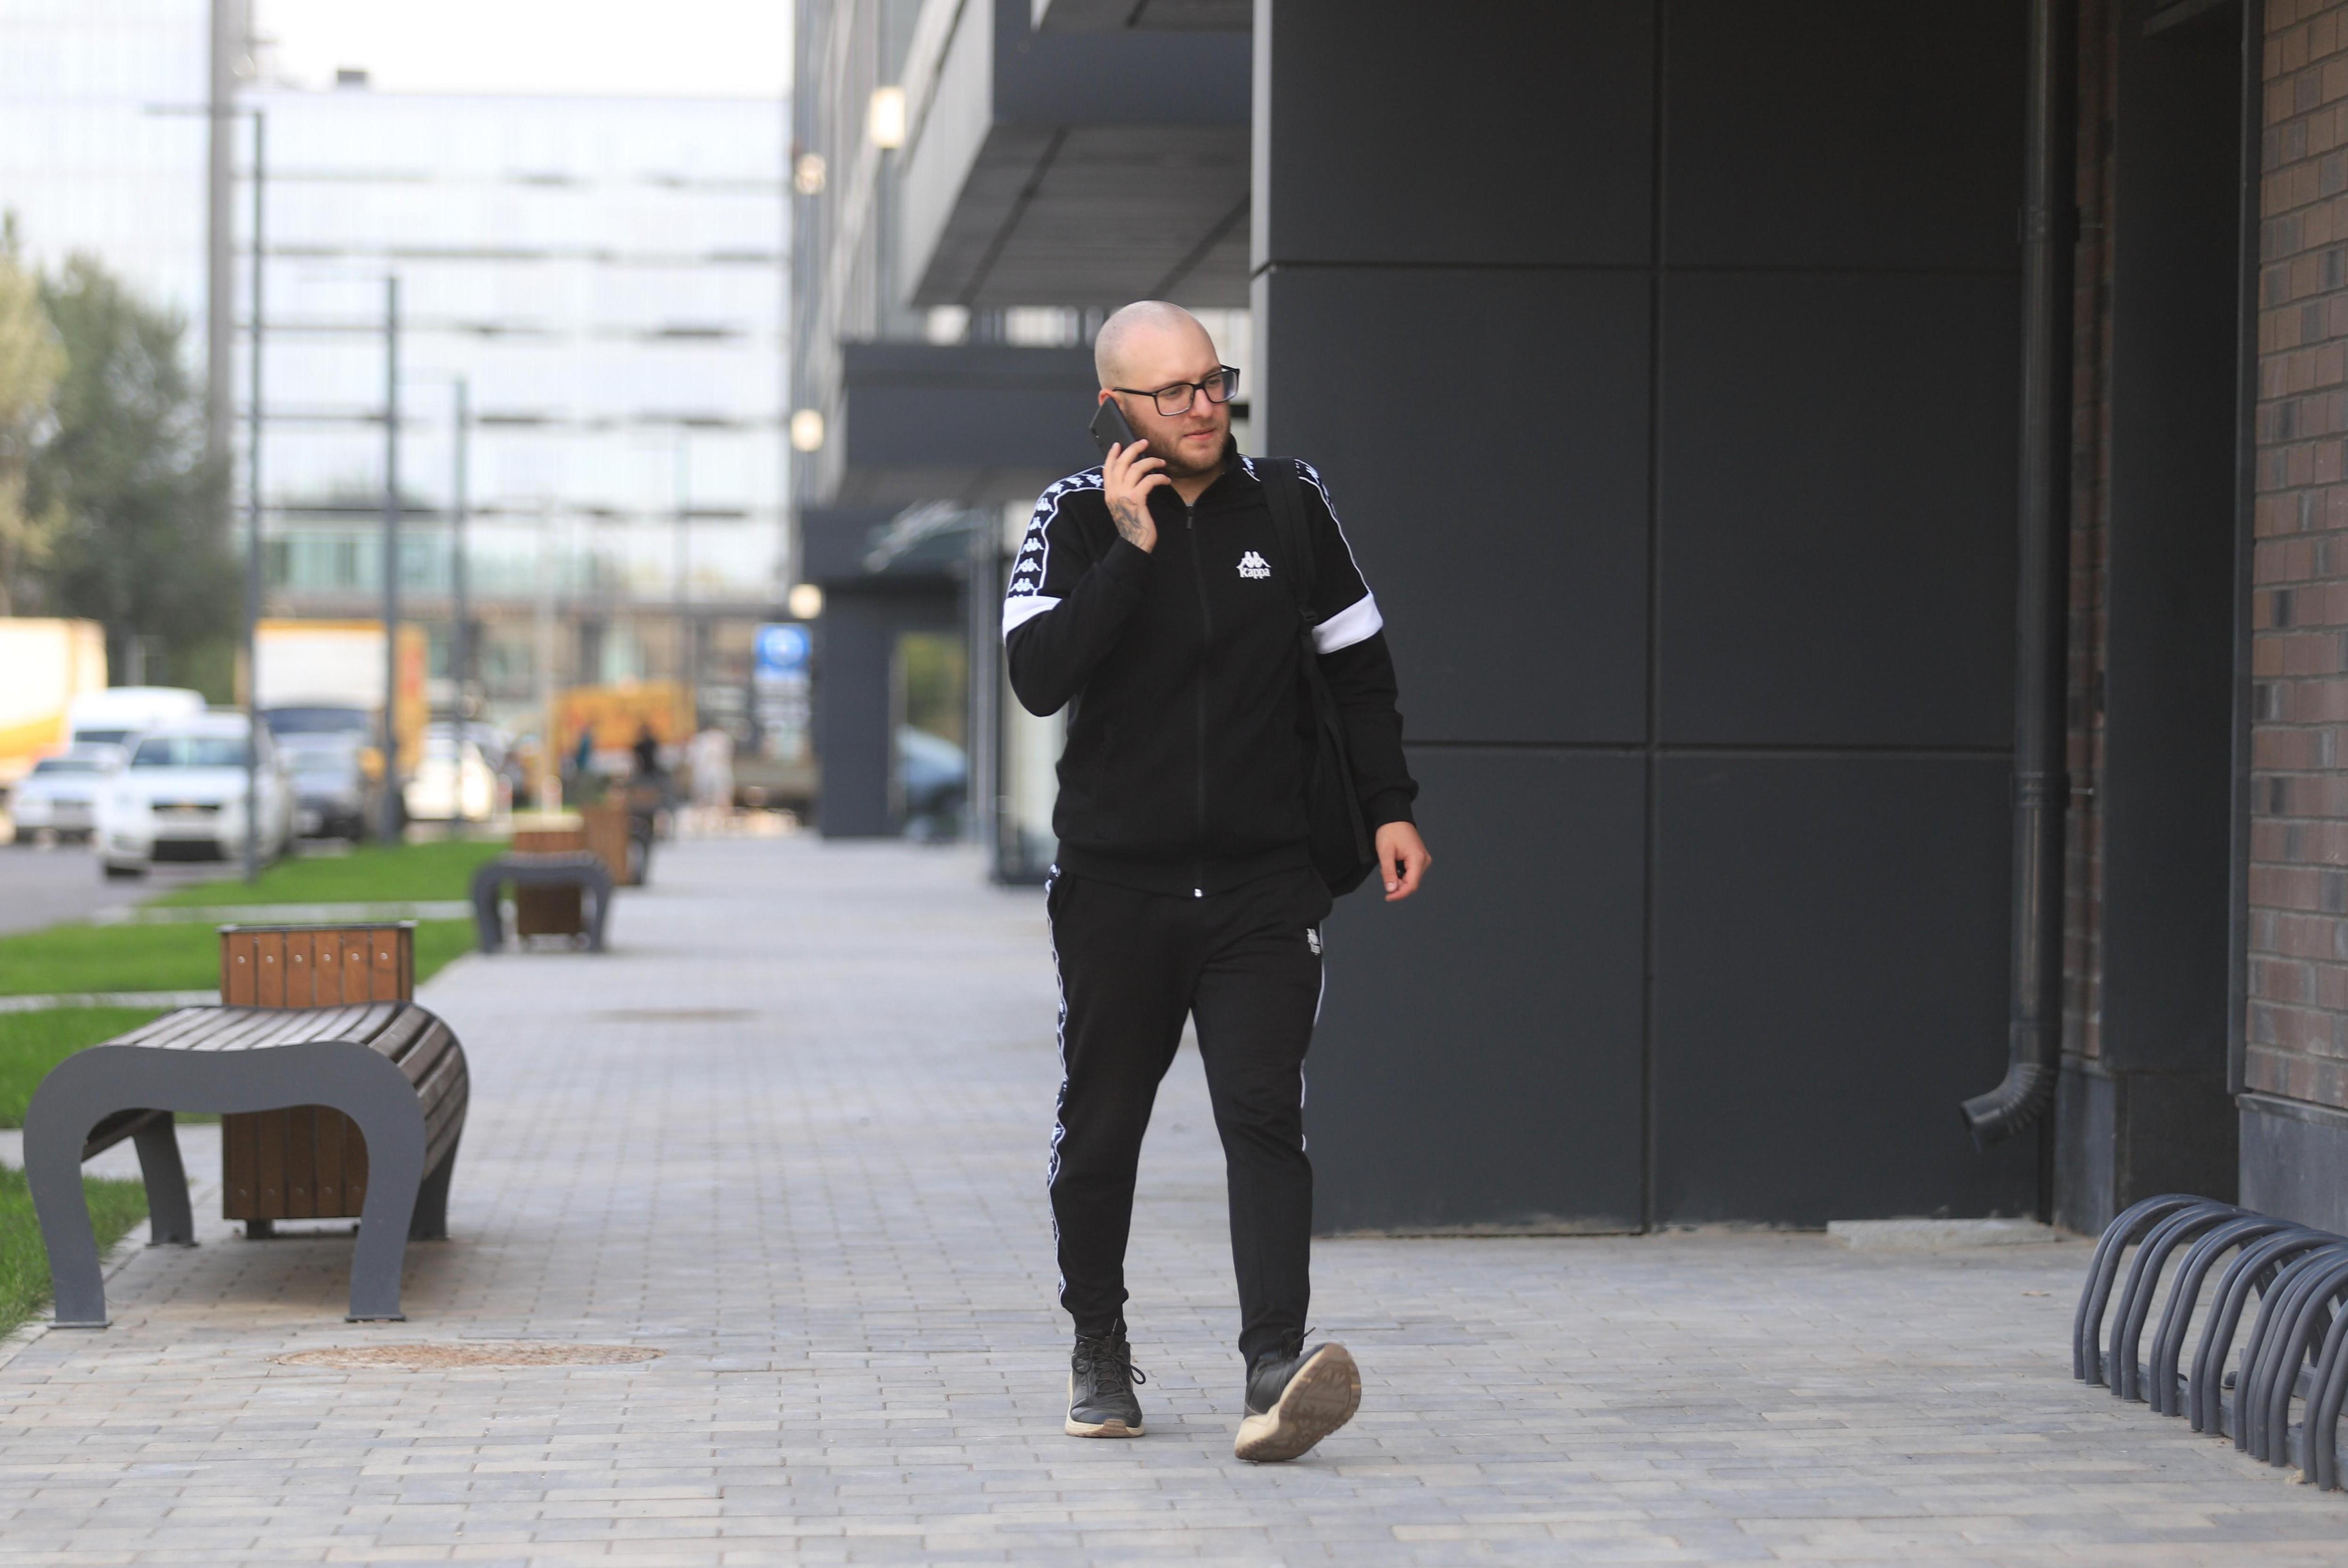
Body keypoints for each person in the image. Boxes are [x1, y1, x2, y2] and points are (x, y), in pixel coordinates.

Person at [1003, 300, 1431, 1463]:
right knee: (1101, 1131)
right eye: (1174, 392)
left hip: (1261, 884)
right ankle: (1099, 1344)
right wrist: (1129, 551)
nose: (1204, 407)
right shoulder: (1070, 516)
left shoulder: (1288, 503)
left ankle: (1272, 1367)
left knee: (1262, 1115)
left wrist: (1389, 806)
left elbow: (1359, 671)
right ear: (1114, 408)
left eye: (1213, 380)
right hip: (1116, 889)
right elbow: (1037, 676)